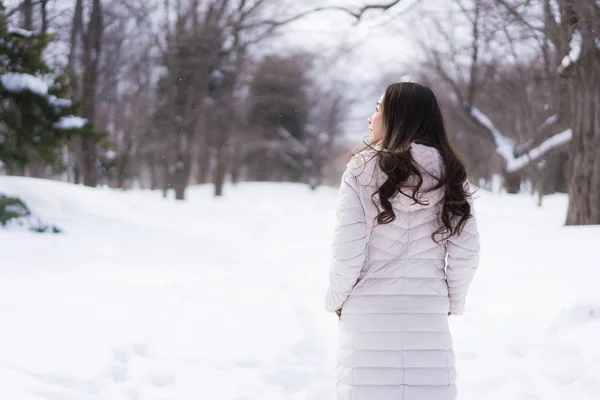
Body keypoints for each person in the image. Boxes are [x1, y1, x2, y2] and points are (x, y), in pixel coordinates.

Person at [324, 82, 480, 400]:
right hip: (427, 313)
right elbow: (466, 252)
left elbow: (347, 250)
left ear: (397, 117)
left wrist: (335, 299)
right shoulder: (451, 173)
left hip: (369, 316)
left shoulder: (361, 169)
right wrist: (453, 301)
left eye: (378, 109)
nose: (371, 118)